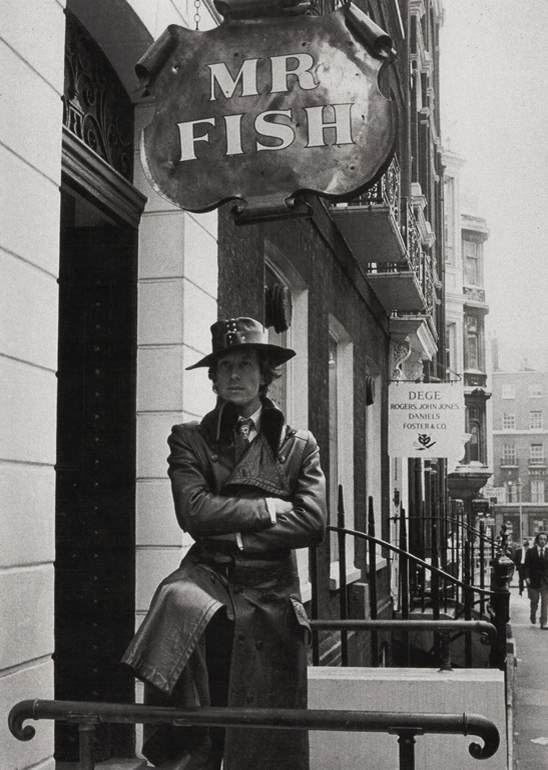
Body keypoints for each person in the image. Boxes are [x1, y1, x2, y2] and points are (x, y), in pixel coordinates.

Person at [122, 317, 327, 770]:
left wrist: (230, 530)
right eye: (225, 366)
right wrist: (269, 509)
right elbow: (193, 512)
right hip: (209, 583)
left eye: (246, 364)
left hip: (272, 595)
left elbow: (312, 522)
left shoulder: (298, 445)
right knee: (201, 725)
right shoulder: (189, 439)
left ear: (266, 374)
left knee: (264, 740)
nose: (235, 375)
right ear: (213, 378)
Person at [523, 531, 548, 629]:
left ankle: (543, 622)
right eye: (541, 539)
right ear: (537, 540)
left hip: (545, 580)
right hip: (533, 579)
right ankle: (533, 614)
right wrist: (527, 577)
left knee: (545, 601)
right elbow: (526, 566)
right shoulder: (531, 551)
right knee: (535, 600)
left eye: (545, 539)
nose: (543, 541)